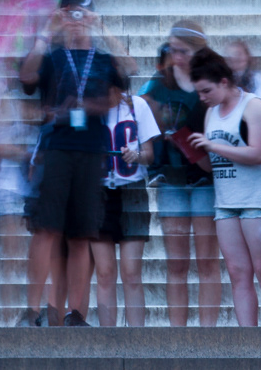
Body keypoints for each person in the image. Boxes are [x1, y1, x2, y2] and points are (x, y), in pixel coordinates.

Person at [16, 0, 130, 328]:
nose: (76, 19)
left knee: (82, 234)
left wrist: (102, 29)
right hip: (55, 148)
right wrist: (46, 31)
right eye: (70, 13)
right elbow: (26, 76)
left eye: (82, 13)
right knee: (45, 229)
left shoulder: (102, 57)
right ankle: (33, 311)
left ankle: (77, 313)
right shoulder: (52, 55)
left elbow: (129, 71)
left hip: (92, 148)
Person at [190, 46, 261, 327]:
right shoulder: (211, 113)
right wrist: (194, 152)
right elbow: (214, 163)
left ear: (224, 82)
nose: (202, 98)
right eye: (199, 92)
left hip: (257, 196)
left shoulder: (253, 105)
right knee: (237, 272)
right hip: (226, 200)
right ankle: (250, 341)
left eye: (206, 91)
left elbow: (258, 153)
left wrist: (212, 145)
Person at [142, 19, 221, 326]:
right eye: (172, 49)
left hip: (205, 177)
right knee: (176, 263)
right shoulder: (159, 80)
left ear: (199, 50)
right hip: (171, 178)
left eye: (183, 51)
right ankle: (179, 335)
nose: (176, 56)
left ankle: (207, 335)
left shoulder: (210, 78)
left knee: (206, 261)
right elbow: (141, 112)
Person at [90, 61, 161, 327]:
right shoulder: (89, 109)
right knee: (105, 273)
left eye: (108, 91)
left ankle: (137, 342)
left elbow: (151, 154)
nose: (103, 96)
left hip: (131, 191)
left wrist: (137, 155)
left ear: (119, 89)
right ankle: (109, 342)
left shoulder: (136, 106)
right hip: (97, 194)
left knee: (131, 272)